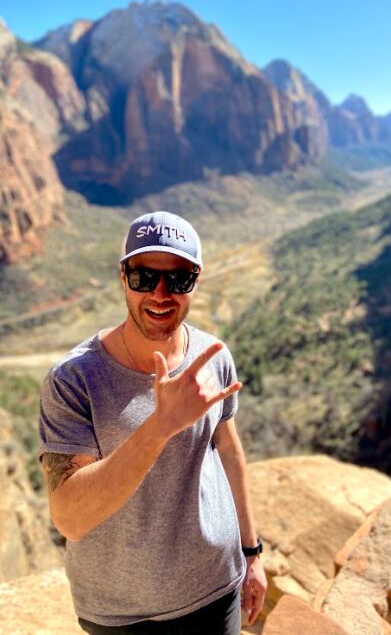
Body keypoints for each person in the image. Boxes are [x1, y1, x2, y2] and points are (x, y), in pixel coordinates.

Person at [38, 211, 267, 635]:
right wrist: (160, 426)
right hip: (122, 614)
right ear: (123, 276)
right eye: (144, 277)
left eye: (178, 279)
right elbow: (70, 517)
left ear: (195, 280)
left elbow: (229, 450)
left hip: (217, 587)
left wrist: (252, 554)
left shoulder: (212, 356)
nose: (161, 294)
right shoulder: (74, 380)